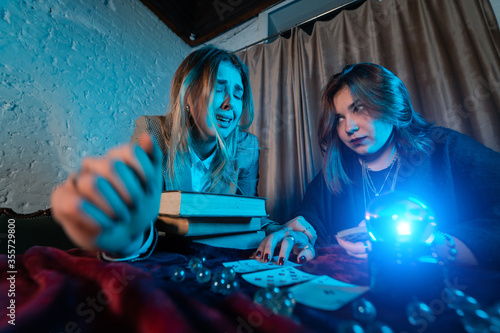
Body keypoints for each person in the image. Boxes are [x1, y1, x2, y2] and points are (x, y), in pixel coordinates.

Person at [256, 62, 500, 268]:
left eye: (359, 109)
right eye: (339, 118)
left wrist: (439, 246)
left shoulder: (443, 148)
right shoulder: (337, 171)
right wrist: (300, 236)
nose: (349, 127)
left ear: (390, 104)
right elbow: (310, 218)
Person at [51, 46, 260, 260]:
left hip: (218, 262)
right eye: (218, 88)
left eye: (238, 94)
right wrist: (127, 235)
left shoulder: (246, 150)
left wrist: (285, 234)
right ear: (188, 95)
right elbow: (137, 218)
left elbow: (252, 219)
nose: (230, 103)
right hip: (164, 262)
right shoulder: (152, 132)